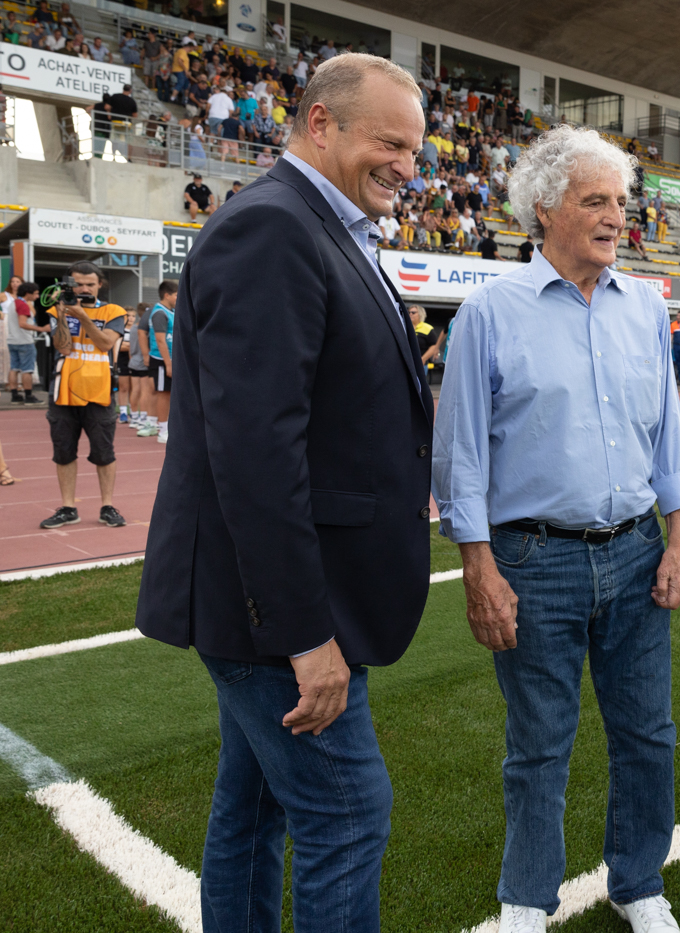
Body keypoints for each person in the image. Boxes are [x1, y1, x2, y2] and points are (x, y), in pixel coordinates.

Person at [134, 54, 433, 933]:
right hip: (279, 616)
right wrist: (306, 635)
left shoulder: (319, 225)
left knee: (254, 808)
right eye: (389, 143)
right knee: (347, 809)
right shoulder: (273, 227)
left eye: (415, 150)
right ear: (319, 124)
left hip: (283, 603)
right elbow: (257, 455)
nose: (407, 168)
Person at [432, 123, 680, 933]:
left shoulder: (645, 308)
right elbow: (461, 454)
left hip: (635, 553)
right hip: (531, 559)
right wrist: (479, 566)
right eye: (596, 201)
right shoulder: (489, 312)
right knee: (540, 744)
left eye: (621, 200)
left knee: (648, 733)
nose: (617, 215)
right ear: (544, 209)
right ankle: (526, 900)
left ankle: (639, 884)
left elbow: (667, 433)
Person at [39, 261, 129, 530]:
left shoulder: (114, 311)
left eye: (90, 284)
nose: (84, 288)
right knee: (63, 452)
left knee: (104, 452)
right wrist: (65, 314)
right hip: (63, 392)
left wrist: (82, 315)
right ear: (68, 284)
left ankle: (107, 506)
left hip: (99, 392)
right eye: (78, 284)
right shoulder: (58, 309)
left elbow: (104, 344)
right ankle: (68, 507)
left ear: (100, 284)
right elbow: (63, 348)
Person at [145, 282, 177, 444]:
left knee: (170, 394)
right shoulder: (159, 313)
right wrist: (168, 363)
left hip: (170, 358)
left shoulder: (170, 312)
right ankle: (163, 430)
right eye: (176, 295)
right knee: (163, 394)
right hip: (162, 360)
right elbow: (160, 340)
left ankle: (168, 427)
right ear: (167, 295)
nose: (178, 299)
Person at [6, 279, 46, 404]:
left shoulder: (13, 303)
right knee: (27, 369)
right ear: (28, 293)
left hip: (12, 340)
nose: (37, 296)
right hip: (24, 341)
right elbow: (22, 324)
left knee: (14, 368)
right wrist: (41, 328)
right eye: (35, 293)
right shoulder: (23, 305)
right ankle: (29, 396)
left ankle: (15, 396)